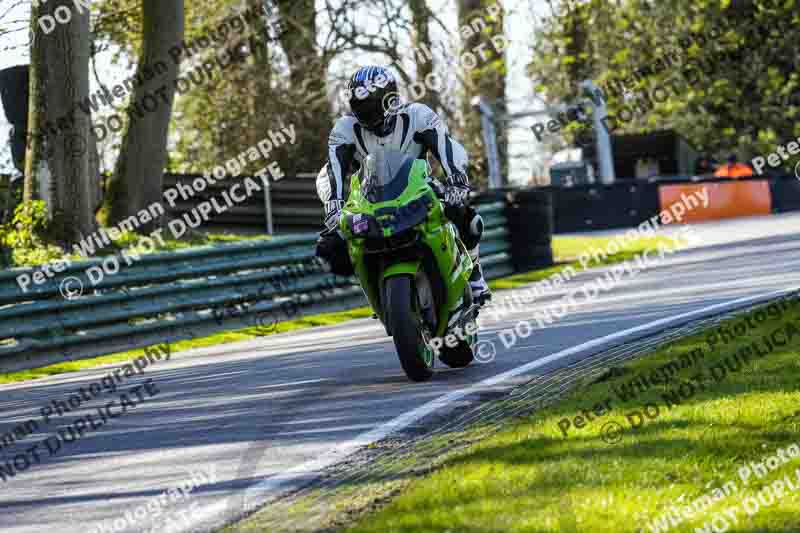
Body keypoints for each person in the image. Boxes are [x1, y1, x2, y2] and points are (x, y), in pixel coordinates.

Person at [315, 65, 491, 304]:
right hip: (369, 201)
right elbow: (333, 169)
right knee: (329, 248)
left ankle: (474, 272)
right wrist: (333, 205)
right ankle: (377, 288)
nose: (365, 113)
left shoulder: (417, 115)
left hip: (420, 190)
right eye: (360, 107)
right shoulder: (345, 128)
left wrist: (456, 180)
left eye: (371, 106)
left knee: (468, 219)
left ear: (389, 100)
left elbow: (446, 147)